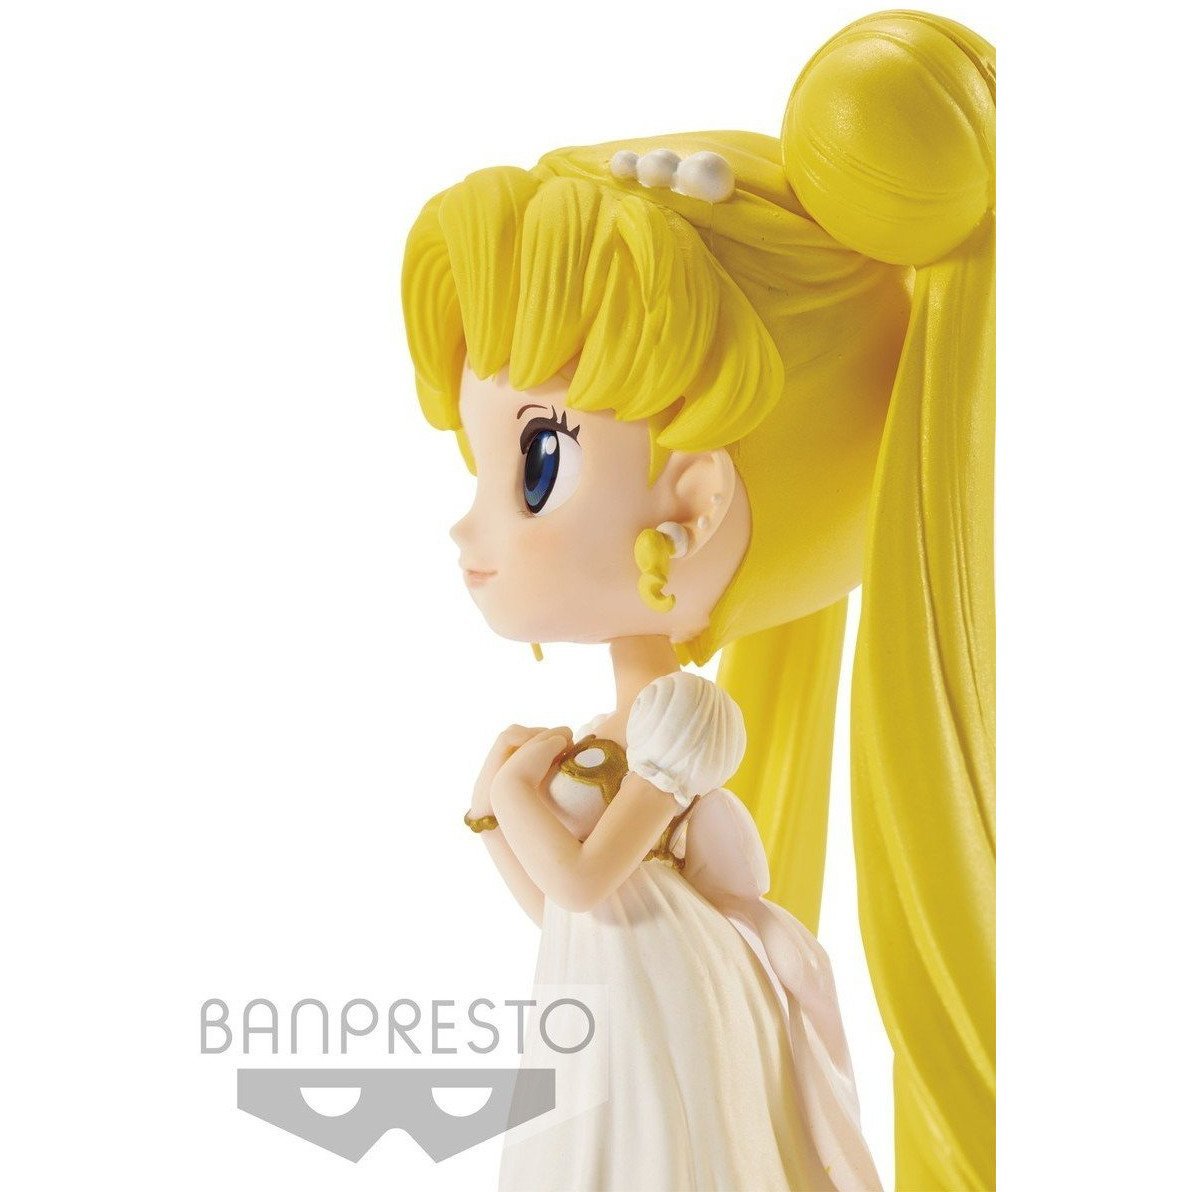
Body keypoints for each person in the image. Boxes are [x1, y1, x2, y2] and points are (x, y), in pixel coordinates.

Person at [400, 10, 995, 1189]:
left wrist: (512, 797)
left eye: (535, 466)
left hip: (668, 1029)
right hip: (624, 1011)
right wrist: (497, 818)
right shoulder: (629, 729)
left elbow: (584, 882)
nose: (473, 527)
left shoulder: (677, 724)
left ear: (695, 502)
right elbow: (570, 919)